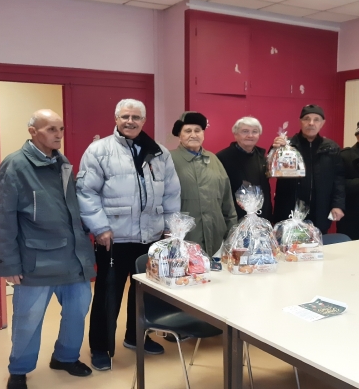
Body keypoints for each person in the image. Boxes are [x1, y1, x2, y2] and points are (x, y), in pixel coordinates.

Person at [0, 110, 96, 389]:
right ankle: (19, 369)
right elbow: (3, 219)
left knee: (77, 311)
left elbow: (72, 210)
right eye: (51, 129)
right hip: (35, 261)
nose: (58, 134)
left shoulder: (62, 163)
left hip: (73, 258)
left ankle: (65, 357)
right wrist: (9, 264)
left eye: (60, 128)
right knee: (28, 319)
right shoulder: (14, 165)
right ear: (33, 131)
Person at [76, 99, 181, 371]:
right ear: (116, 118)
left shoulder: (159, 153)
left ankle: (137, 337)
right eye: (125, 116)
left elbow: (171, 193)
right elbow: (86, 193)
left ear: (144, 121)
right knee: (107, 296)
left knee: (144, 294)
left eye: (136, 117)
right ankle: (100, 347)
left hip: (152, 238)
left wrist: (171, 228)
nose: (130, 121)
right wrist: (100, 228)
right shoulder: (99, 151)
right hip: (114, 238)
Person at [170, 112, 237, 256]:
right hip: (185, 239)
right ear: (179, 135)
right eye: (188, 131)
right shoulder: (169, 160)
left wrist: (232, 231)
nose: (193, 135)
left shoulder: (214, 159)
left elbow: (227, 200)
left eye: (197, 131)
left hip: (216, 238)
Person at [272, 104, 345, 234]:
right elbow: (272, 168)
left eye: (316, 119)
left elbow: (338, 179)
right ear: (300, 122)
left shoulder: (332, 148)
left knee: (318, 250)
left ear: (322, 123)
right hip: (289, 212)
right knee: (289, 251)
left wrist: (337, 205)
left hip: (320, 212)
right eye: (307, 119)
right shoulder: (288, 145)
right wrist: (275, 149)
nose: (311, 123)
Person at [216, 116, 272, 221]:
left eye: (254, 132)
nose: (250, 135)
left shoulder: (263, 159)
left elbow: (266, 191)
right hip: (234, 218)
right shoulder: (222, 158)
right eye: (245, 131)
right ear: (235, 134)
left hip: (261, 218)